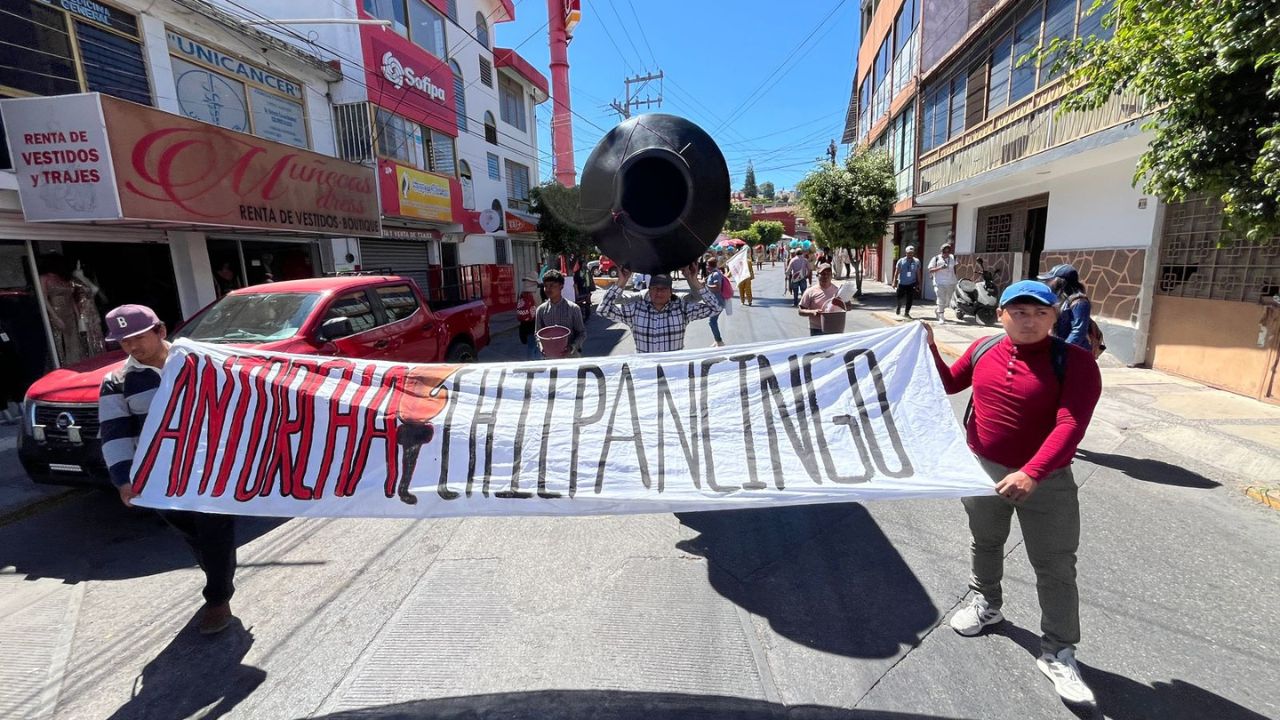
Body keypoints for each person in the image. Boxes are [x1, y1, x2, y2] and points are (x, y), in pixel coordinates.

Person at [924, 280, 1102, 707]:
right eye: (1019, 312)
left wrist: (1032, 472)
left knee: (1055, 565)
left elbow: (1070, 425)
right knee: (985, 541)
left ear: (1054, 318)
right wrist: (927, 346)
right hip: (982, 470)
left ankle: (1059, 651)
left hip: (1047, 481)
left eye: (1041, 313)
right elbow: (949, 384)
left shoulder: (1075, 363)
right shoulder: (985, 349)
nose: (1029, 320)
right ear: (1000, 314)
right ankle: (988, 602)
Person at [99, 304, 239, 635]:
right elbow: (114, 432)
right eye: (123, 342)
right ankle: (217, 578)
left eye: (137, 337)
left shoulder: (200, 362)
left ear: (160, 331)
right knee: (194, 535)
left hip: (210, 471)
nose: (132, 347)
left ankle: (218, 599)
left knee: (214, 530)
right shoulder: (117, 381)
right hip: (159, 480)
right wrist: (123, 480)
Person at [598, 263, 719, 353]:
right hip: (645, 375)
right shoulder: (635, 310)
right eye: (655, 288)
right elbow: (603, 310)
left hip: (674, 375)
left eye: (664, 289)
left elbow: (715, 308)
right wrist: (621, 282)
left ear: (671, 291)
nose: (659, 293)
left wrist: (694, 281)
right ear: (649, 290)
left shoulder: (682, 309)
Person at [1038, 264, 1096, 354]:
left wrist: (1062, 351)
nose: (1049, 283)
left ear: (1060, 281)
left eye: (1051, 280)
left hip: (1074, 354)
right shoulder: (1059, 300)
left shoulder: (1079, 302)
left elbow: (1078, 332)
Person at [534, 270, 586, 357]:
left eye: (552, 285)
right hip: (550, 359)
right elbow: (537, 334)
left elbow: (582, 333)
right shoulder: (541, 310)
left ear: (561, 286)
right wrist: (541, 347)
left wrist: (572, 347)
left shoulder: (573, 308)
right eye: (545, 286)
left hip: (571, 358)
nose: (548, 289)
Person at [798, 263, 843, 336]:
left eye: (828, 274)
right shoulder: (810, 291)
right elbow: (800, 311)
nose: (826, 276)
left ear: (832, 276)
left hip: (835, 329)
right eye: (823, 274)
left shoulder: (837, 291)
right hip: (817, 330)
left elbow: (847, 307)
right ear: (817, 275)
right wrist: (812, 312)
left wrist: (847, 305)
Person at [928, 242, 959, 323]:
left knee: (948, 302)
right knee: (941, 299)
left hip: (951, 282)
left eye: (948, 251)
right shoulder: (936, 258)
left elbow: (955, 268)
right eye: (944, 252)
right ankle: (941, 317)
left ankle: (938, 310)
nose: (946, 253)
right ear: (941, 251)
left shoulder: (953, 257)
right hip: (939, 282)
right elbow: (930, 270)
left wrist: (956, 277)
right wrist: (940, 267)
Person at [705, 259, 730, 347]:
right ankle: (717, 340)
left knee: (712, 322)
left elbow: (717, 287)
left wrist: (705, 286)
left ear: (710, 265)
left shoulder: (715, 274)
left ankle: (719, 341)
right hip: (715, 302)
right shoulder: (713, 273)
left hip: (718, 303)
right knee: (712, 321)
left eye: (707, 265)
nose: (706, 266)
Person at [892, 245, 921, 318]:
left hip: (911, 283)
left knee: (910, 299)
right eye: (909, 253)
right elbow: (896, 272)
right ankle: (899, 306)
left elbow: (918, 272)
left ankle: (906, 312)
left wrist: (919, 283)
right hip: (902, 283)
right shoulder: (901, 261)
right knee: (899, 297)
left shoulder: (916, 261)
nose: (910, 254)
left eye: (911, 253)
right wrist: (894, 282)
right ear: (906, 253)